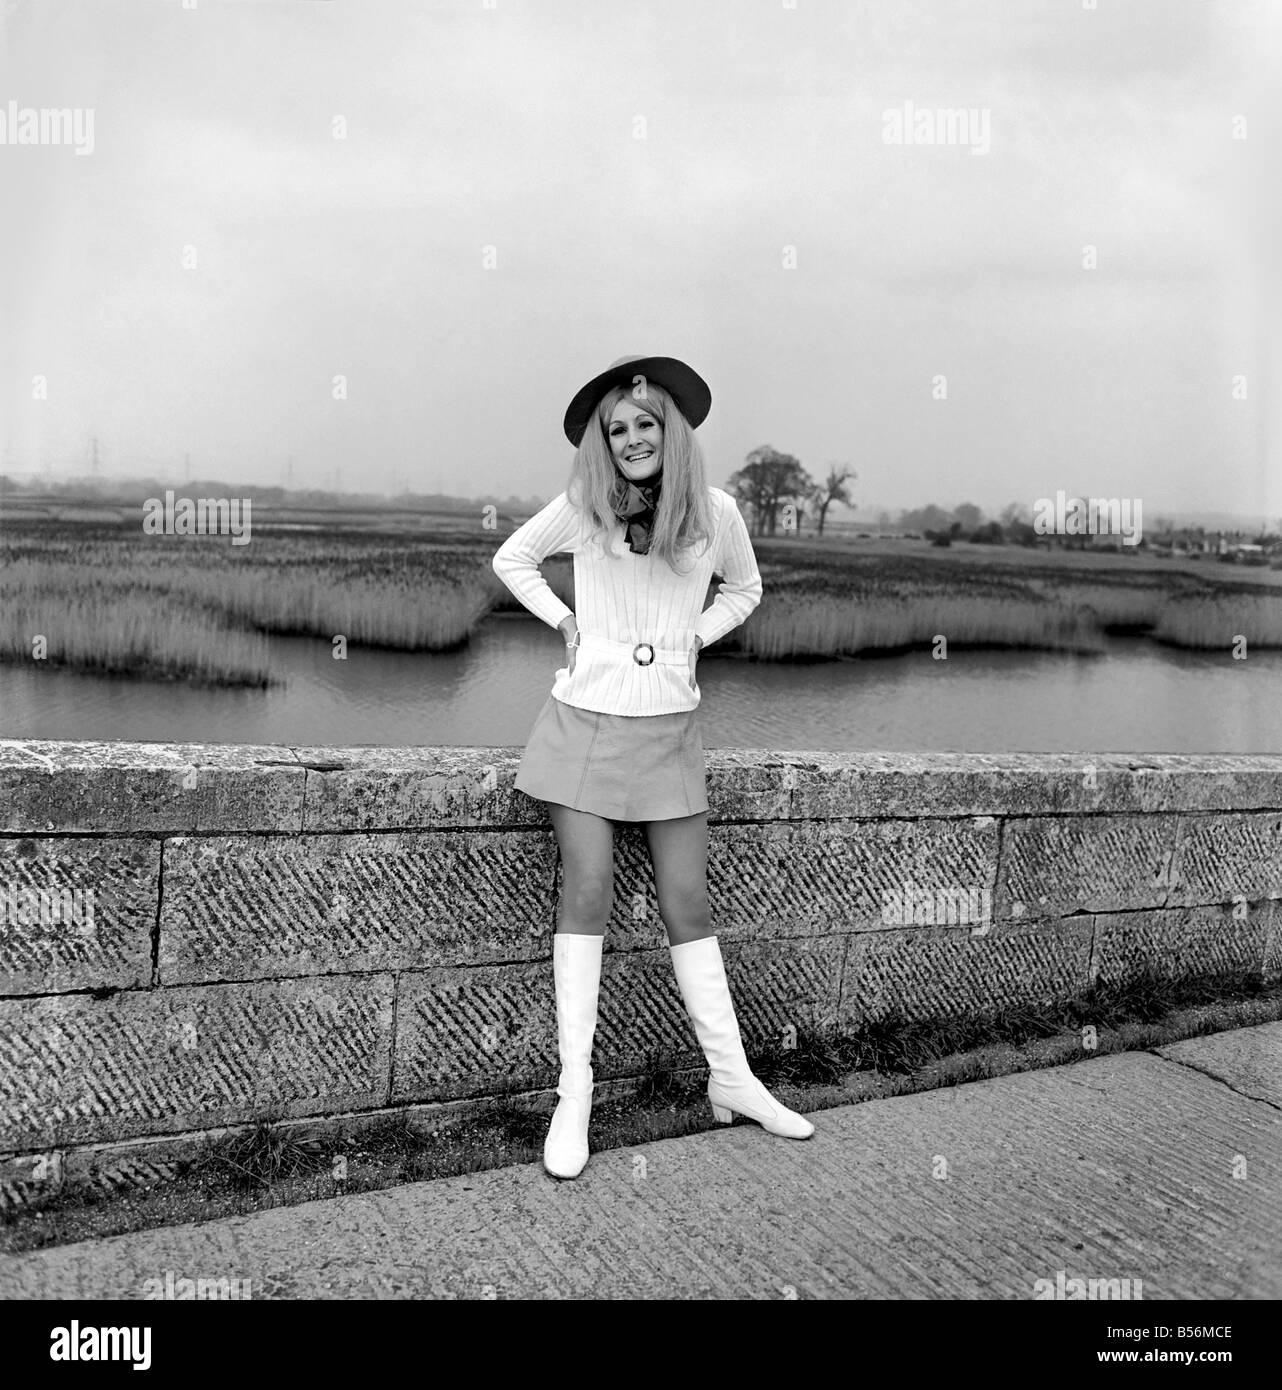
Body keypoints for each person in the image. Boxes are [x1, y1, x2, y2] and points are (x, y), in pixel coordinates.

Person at [492, 354, 815, 1181]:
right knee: (589, 889)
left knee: (687, 902)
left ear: (671, 429)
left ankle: (734, 1079)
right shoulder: (584, 506)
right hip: (586, 723)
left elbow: (745, 590)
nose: (633, 438)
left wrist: (693, 637)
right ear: (604, 443)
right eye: (618, 428)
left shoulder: (716, 513)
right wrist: (566, 622)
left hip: (671, 727)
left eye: (646, 423)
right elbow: (511, 561)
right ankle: (576, 1093)